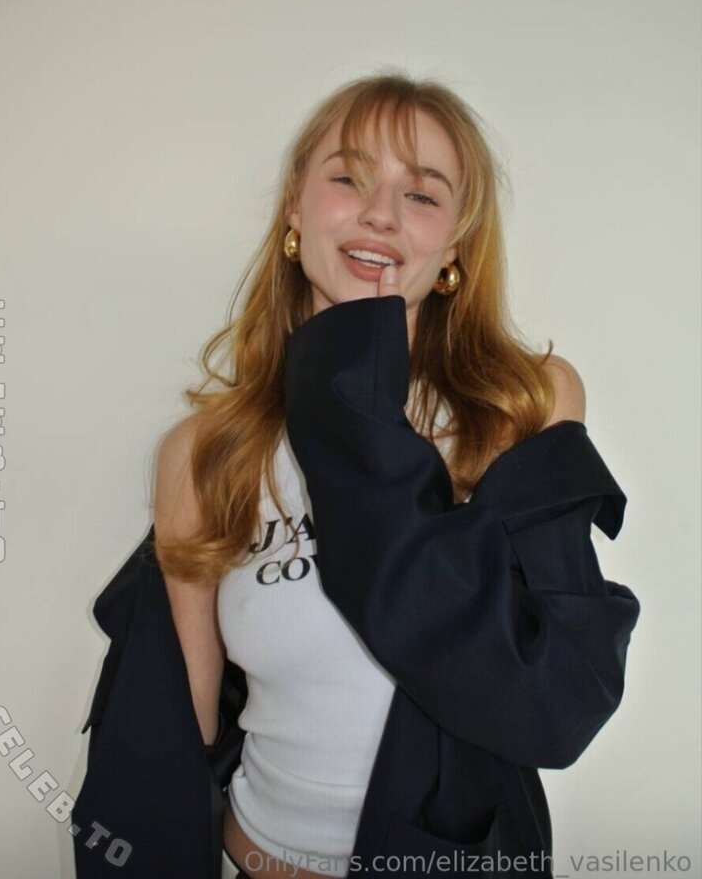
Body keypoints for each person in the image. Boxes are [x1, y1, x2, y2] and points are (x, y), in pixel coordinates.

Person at [74, 73, 640, 879]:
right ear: (294, 212)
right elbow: (176, 729)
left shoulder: (525, 406)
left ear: (455, 247)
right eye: (348, 178)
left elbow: (552, 705)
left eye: (423, 195)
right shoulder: (204, 452)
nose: (380, 213)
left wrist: (351, 382)